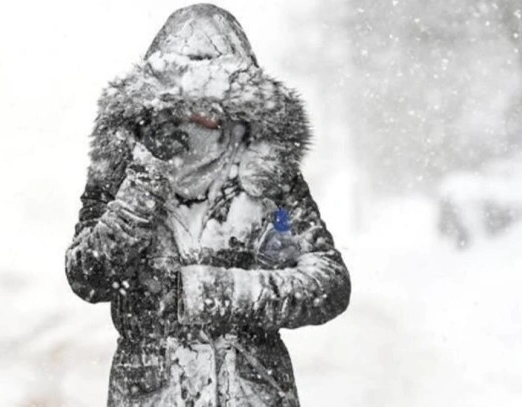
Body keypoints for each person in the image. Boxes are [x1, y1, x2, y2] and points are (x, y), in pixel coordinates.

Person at [65, 4, 351, 406]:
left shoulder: (267, 175)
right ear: (159, 100)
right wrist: (143, 181)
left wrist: (220, 292)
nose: (197, 116)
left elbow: (328, 284)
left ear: (238, 104)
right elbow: (88, 275)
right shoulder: (124, 169)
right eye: (184, 101)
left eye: (211, 101)